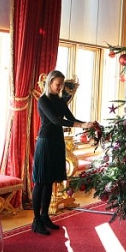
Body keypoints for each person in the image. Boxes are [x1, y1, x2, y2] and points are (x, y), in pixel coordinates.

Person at [32, 70, 94, 235]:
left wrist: (87, 123)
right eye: (57, 84)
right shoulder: (43, 100)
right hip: (45, 143)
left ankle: (45, 216)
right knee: (41, 182)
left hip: (57, 142)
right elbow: (56, 120)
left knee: (50, 181)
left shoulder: (59, 101)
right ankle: (36, 220)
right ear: (50, 83)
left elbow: (70, 117)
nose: (60, 87)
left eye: (61, 84)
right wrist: (81, 126)